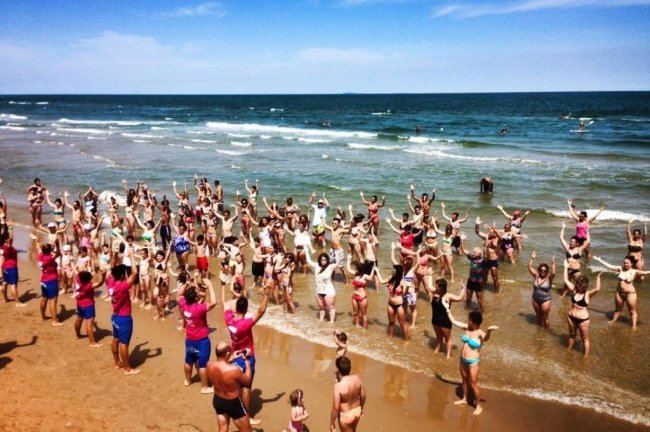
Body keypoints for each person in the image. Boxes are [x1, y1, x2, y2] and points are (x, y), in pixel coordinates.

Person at [224, 285, 271, 425]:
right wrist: (266, 294)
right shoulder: (245, 324)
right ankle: (246, 417)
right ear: (246, 310)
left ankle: (235, 412)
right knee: (246, 387)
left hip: (234, 357)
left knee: (237, 386)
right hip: (246, 359)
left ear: (236, 309)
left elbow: (226, 305)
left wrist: (230, 290)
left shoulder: (229, 320)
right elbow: (261, 311)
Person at [447, 310, 498, 416]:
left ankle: (478, 406)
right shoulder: (467, 328)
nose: (468, 321)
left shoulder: (480, 333)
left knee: (473, 384)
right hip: (463, 359)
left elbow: (486, 339)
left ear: (475, 322)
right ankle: (465, 399)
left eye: (469, 320)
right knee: (464, 380)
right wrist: (447, 310)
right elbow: (453, 321)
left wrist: (489, 330)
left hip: (473, 361)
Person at [178, 275, 218, 394]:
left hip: (190, 339)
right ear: (195, 298)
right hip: (202, 341)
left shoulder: (184, 305)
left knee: (188, 360)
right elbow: (214, 302)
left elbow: (180, 294)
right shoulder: (199, 309)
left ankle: (187, 380)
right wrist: (210, 286)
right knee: (203, 364)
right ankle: (204, 387)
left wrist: (186, 283)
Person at [206, 342, 253, 432]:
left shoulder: (209, 365)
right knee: (247, 430)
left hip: (218, 400)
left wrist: (230, 358)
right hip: (233, 403)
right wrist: (247, 361)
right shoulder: (234, 370)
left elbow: (221, 367)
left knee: (223, 428)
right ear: (227, 353)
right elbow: (247, 382)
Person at [593, 255, 649, 329]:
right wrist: (599, 260)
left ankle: (634, 327)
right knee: (618, 309)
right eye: (624, 263)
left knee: (632, 311)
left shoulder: (635, 271)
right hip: (619, 293)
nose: (625, 264)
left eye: (627, 263)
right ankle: (613, 320)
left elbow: (646, 272)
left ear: (632, 264)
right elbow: (609, 266)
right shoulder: (620, 269)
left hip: (630, 294)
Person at [108, 263, 141, 375]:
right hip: (124, 319)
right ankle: (127, 369)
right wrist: (131, 255)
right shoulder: (122, 287)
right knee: (124, 344)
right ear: (122, 276)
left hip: (115, 317)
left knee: (115, 339)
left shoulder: (111, 284)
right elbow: (135, 273)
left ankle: (117, 363)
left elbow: (112, 272)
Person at [563, 261, 601, 356]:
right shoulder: (574, 290)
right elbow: (566, 280)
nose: (579, 286)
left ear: (585, 285)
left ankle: (585, 356)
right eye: (578, 284)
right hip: (571, 317)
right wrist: (566, 267)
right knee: (571, 335)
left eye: (581, 284)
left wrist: (598, 277)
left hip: (583, 320)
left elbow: (597, 289)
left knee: (584, 339)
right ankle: (568, 351)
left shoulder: (588, 294)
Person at [430, 279, 466, 358]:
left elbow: (459, 298)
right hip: (435, 320)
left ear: (441, 287)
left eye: (437, 286)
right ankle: (436, 351)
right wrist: (429, 275)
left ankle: (448, 355)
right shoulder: (435, 293)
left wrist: (463, 289)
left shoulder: (448, 296)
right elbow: (429, 286)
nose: (435, 287)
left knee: (447, 339)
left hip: (445, 322)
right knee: (438, 337)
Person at [331, 356, 366, 432]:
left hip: (346, 415)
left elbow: (336, 408)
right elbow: (363, 396)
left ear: (339, 370)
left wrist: (332, 423)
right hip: (357, 411)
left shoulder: (338, 386)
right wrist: (361, 409)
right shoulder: (357, 378)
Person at [32, 234, 62, 322]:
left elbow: (39, 248)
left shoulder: (40, 256)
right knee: (53, 301)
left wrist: (37, 240)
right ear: (49, 251)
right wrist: (57, 244)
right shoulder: (49, 259)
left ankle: (43, 317)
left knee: (44, 299)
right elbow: (59, 253)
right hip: (51, 281)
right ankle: (54, 321)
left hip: (43, 281)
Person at [74, 271, 105, 347]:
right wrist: (103, 276)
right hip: (88, 306)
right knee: (89, 325)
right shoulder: (89, 286)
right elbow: (100, 283)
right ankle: (92, 343)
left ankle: (78, 335)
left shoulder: (78, 279)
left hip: (79, 304)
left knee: (79, 319)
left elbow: (75, 270)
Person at [305, 252, 338, 323]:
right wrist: (306, 249)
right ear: (319, 260)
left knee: (330, 308)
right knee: (321, 308)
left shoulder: (330, 267)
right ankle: (321, 322)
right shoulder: (317, 265)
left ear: (327, 260)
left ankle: (332, 323)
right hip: (319, 292)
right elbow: (309, 261)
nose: (323, 261)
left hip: (329, 292)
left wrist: (337, 252)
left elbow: (338, 263)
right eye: (322, 260)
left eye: (325, 260)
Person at [528, 251, 556, 328]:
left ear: (547, 272)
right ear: (539, 270)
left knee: (545, 317)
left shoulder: (549, 278)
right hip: (535, 299)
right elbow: (530, 267)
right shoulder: (536, 276)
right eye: (541, 270)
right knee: (538, 316)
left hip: (545, 300)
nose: (543, 272)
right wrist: (532, 258)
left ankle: (546, 332)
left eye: (545, 271)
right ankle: (539, 331)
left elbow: (553, 273)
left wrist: (553, 263)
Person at [1, 228, 26, 307]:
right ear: (6, 240)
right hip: (11, 268)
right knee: (13, 285)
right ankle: (18, 303)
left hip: (5, 267)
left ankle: (5, 299)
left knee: (5, 283)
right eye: (8, 238)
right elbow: (11, 239)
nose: (10, 239)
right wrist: (11, 229)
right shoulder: (8, 247)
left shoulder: (2, 247)